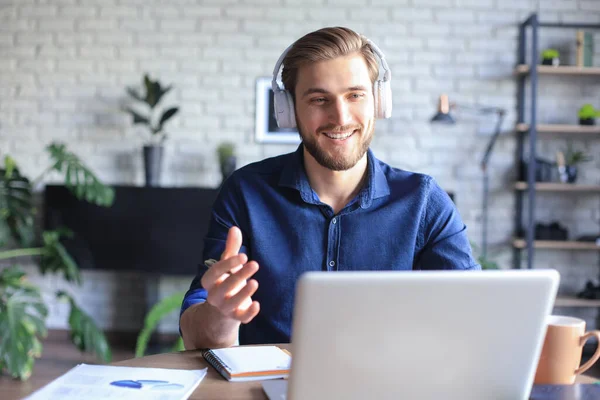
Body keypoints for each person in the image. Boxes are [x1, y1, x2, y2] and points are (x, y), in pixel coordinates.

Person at [179, 27, 480, 350]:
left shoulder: (423, 201)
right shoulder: (246, 192)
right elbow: (199, 334)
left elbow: (474, 315)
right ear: (289, 109)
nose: (340, 117)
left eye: (355, 95)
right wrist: (221, 315)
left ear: (379, 102)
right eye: (319, 99)